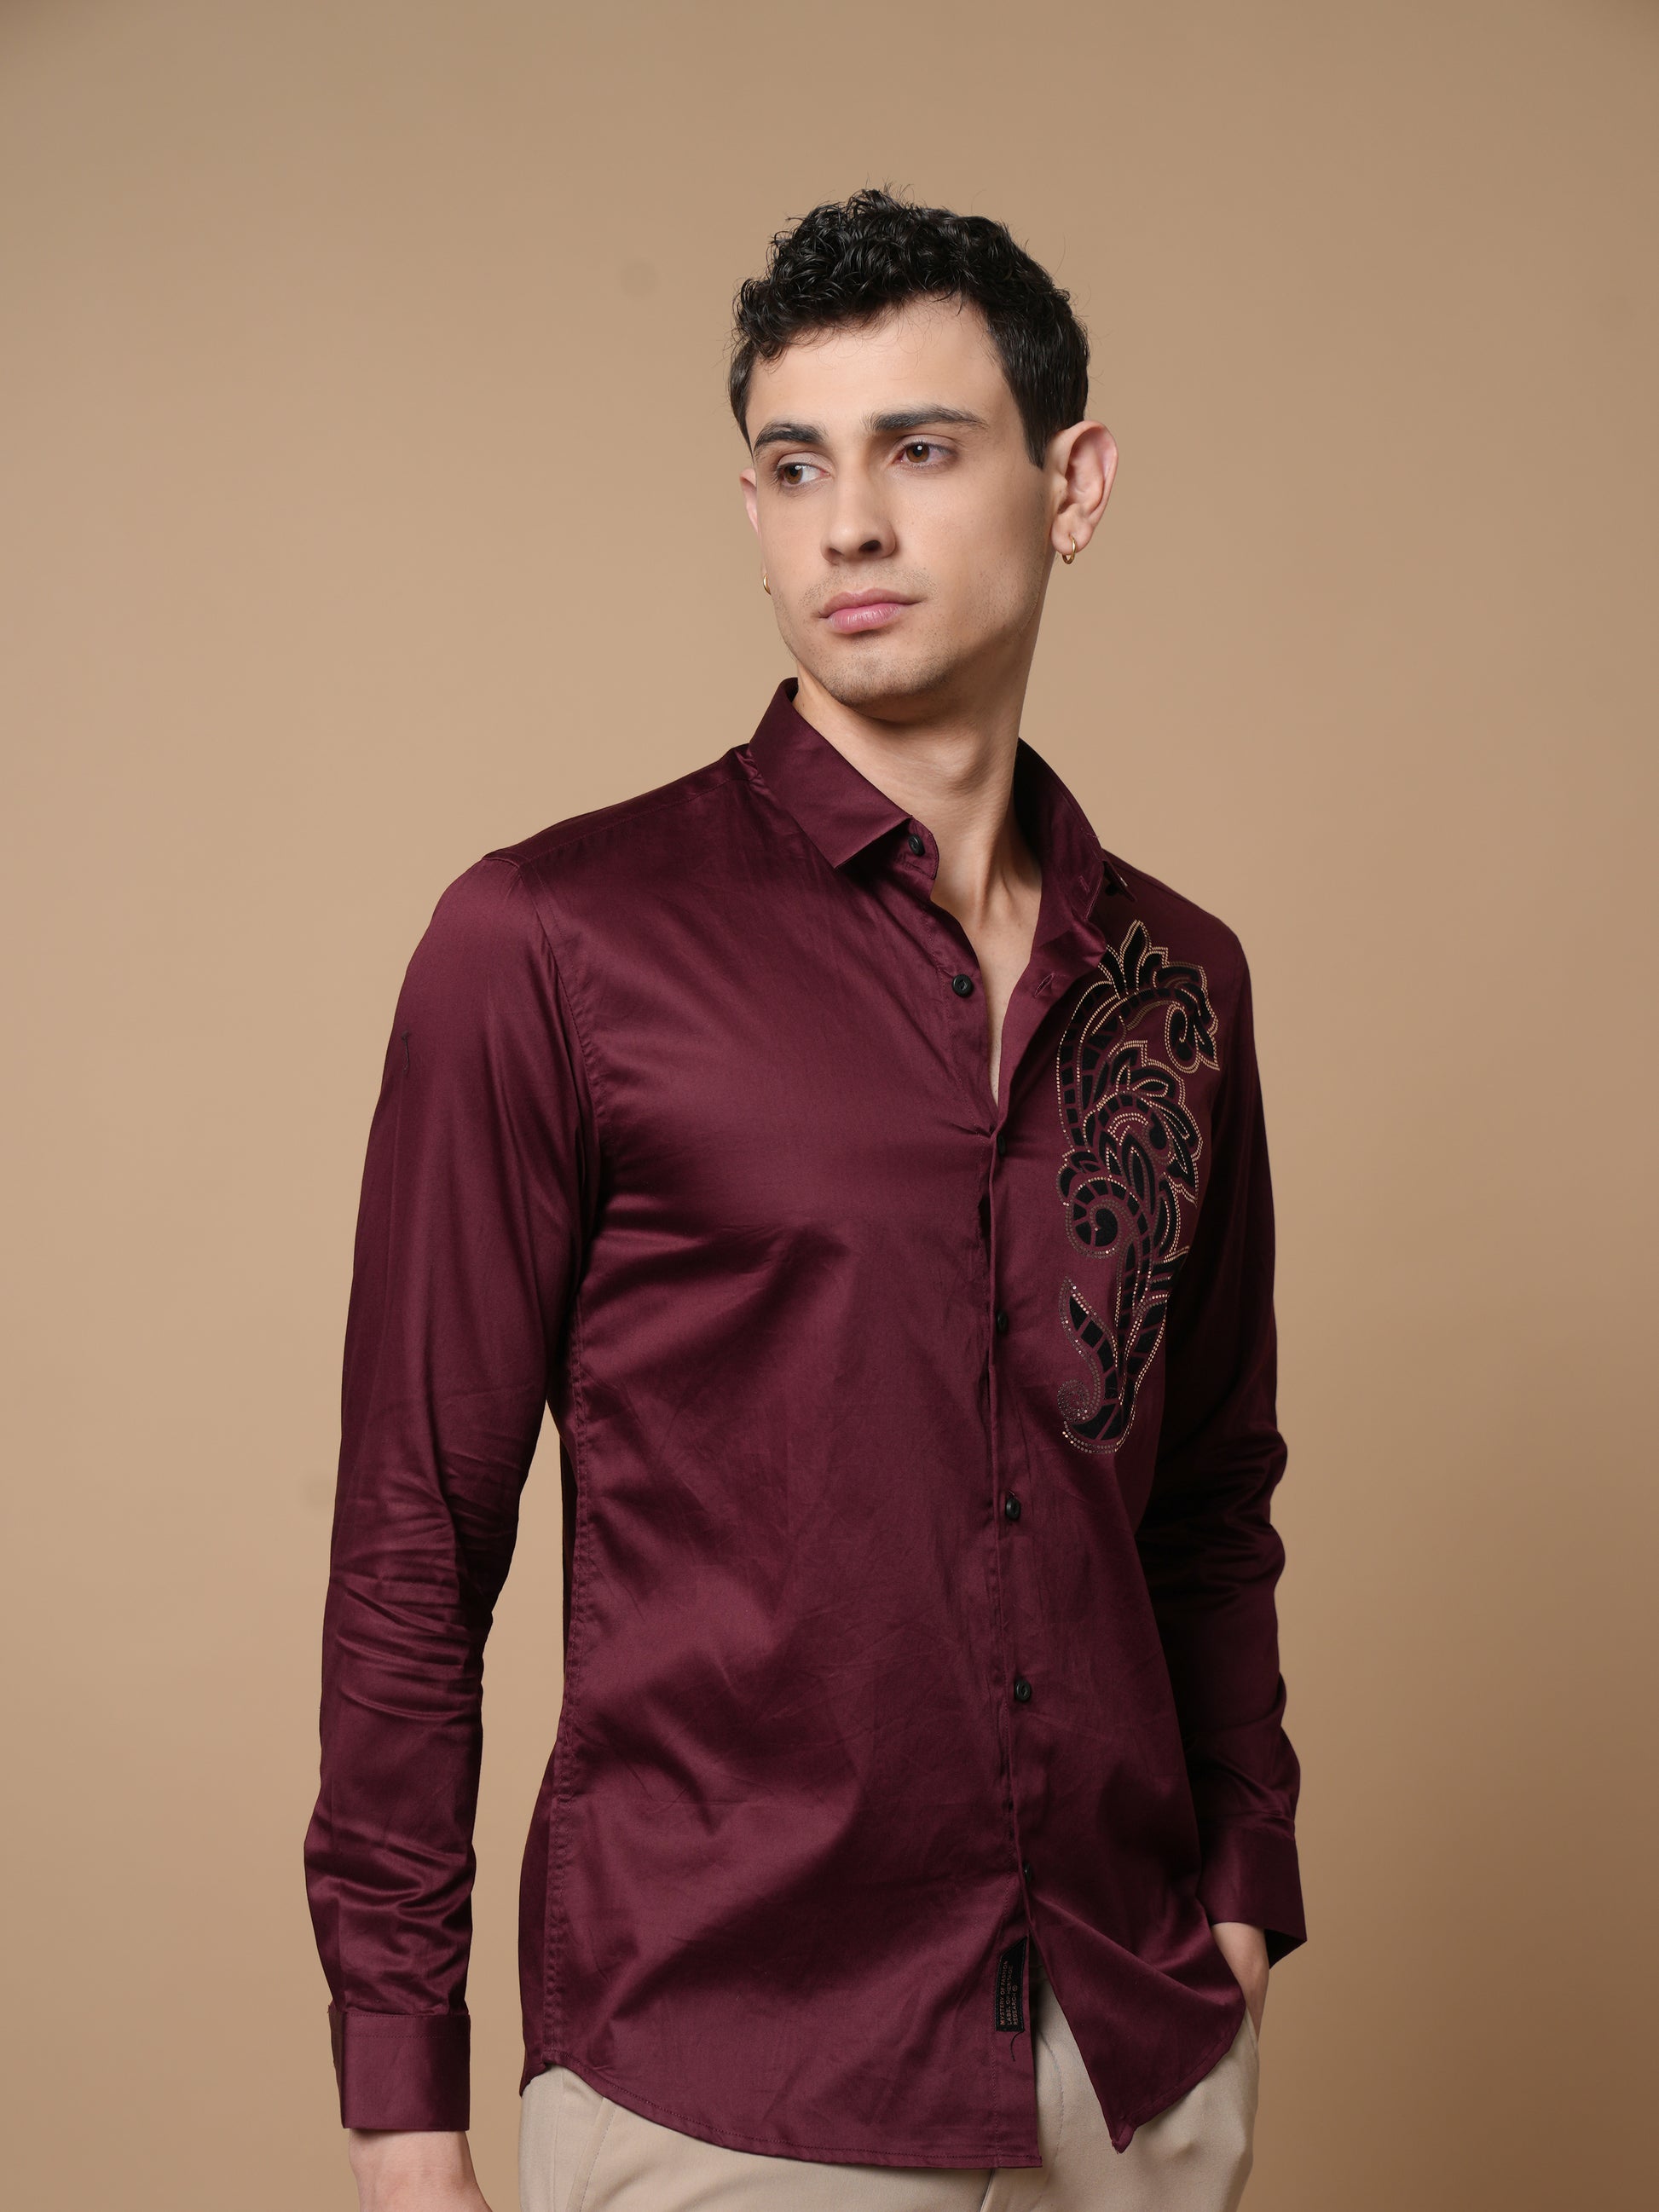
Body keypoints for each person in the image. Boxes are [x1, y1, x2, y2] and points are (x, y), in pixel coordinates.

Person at [304, 187, 1304, 2212]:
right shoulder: (553, 942)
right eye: (792, 465)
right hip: (733, 2069)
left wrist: (1241, 1884)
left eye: (918, 449)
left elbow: (1204, 1491)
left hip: (1133, 2062)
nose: (846, 523)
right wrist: (404, 2106)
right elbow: (417, 1539)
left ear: (1072, 483)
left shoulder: (1178, 981)